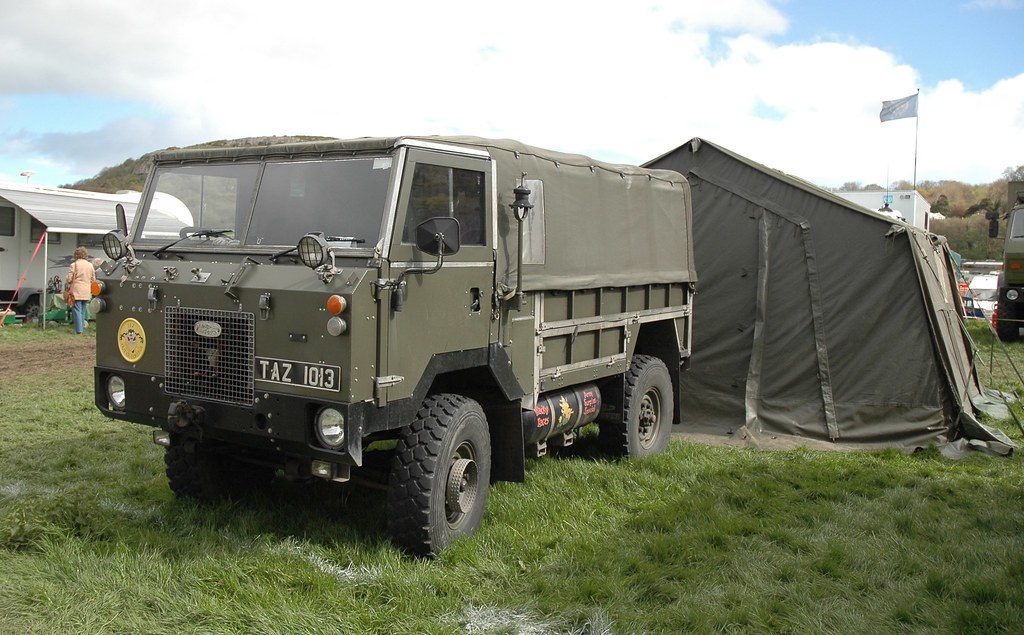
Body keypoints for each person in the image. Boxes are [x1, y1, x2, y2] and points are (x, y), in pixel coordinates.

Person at [67, 246, 97, 335]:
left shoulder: (74, 265)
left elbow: (69, 279)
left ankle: (79, 330)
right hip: (86, 291)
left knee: (77, 310)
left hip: (76, 291)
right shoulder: (90, 265)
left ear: (76, 255)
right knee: (83, 311)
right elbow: (93, 279)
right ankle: (82, 328)